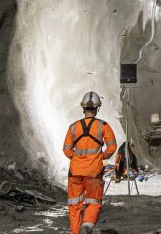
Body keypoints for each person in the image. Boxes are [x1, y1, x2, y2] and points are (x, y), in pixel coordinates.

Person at [63, 91, 117, 234]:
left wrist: (77, 159)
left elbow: (66, 150)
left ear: (83, 109)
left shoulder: (73, 127)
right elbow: (112, 146)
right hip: (94, 171)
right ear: (97, 109)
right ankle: (86, 227)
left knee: (74, 205)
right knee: (93, 202)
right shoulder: (103, 125)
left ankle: (75, 232)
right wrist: (101, 157)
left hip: (75, 172)